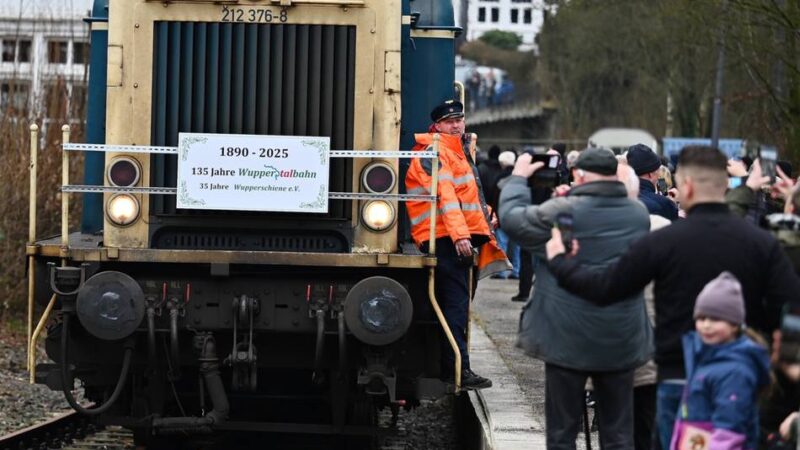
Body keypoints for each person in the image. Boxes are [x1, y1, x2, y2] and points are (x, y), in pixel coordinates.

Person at [544, 146, 800, 450]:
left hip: (678, 374)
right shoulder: (762, 244)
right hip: (739, 376)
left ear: (687, 186)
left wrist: (561, 262)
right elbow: (790, 305)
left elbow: (605, 288)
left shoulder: (663, 241)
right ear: (724, 185)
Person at [499, 148, 653, 450]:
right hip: (621, 337)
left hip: (566, 337)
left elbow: (513, 220)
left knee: (562, 434)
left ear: (578, 175)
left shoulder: (561, 211)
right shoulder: (638, 215)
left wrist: (518, 178)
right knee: (619, 434)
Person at [405, 99, 507, 390]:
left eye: (459, 119)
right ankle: (457, 371)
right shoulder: (435, 153)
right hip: (445, 239)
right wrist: (460, 235)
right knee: (455, 307)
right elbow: (446, 196)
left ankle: (457, 368)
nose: (456, 125)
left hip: (452, 237)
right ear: (437, 126)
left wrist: (486, 216)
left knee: (458, 306)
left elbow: (466, 197)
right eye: (449, 121)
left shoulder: (457, 152)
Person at [671, 272, 770, 450]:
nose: (706, 325)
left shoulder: (736, 371)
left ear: (735, 324)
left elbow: (729, 428)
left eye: (715, 319)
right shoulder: (704, 359)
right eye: (701, 318)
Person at [626, 143, 680, 220]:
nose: (659, 176)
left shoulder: (619, 199)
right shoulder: (663, 204)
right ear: (650, 175)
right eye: (658, 171)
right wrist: (674, 204)